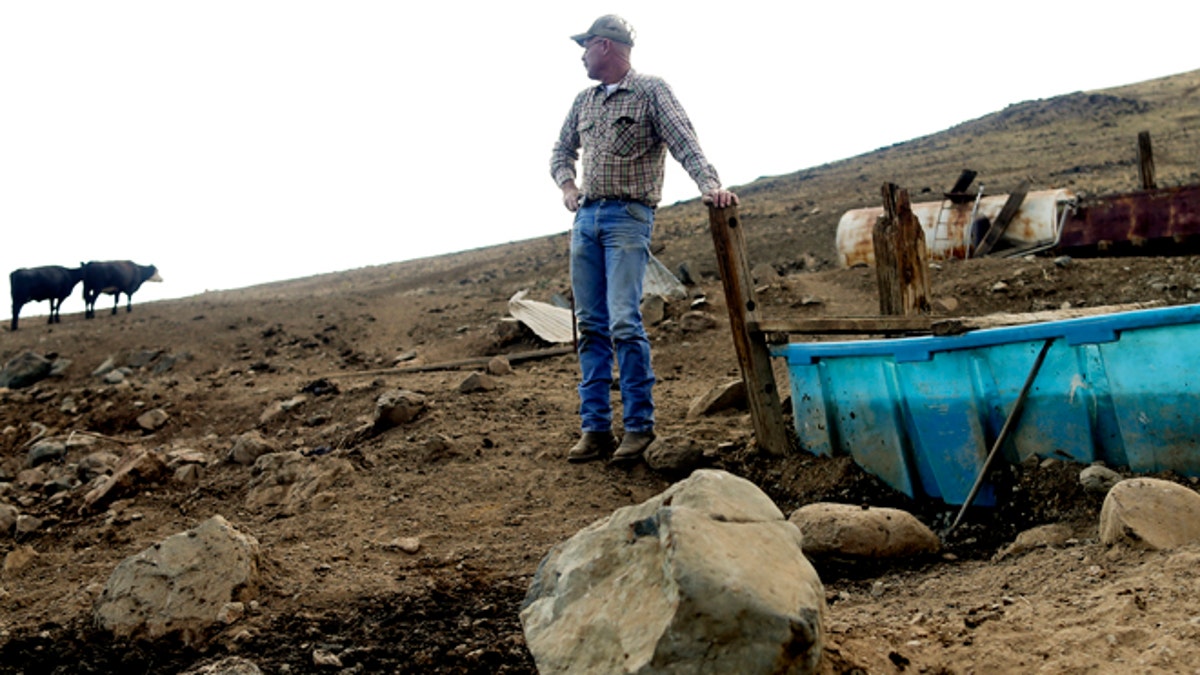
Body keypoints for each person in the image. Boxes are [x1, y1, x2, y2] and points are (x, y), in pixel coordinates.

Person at [550, 14, 739, 464]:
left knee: (623, 322)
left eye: (587, 46)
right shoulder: (583, 102)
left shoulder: (652, 90)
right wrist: (568, 187)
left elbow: (684, 141)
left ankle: (639, 427)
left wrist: (709, 186)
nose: (581, 55)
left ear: (607, 46)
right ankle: (595, 429)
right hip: (586, 221)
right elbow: (560, 151)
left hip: (628, 218)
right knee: (590, 325)